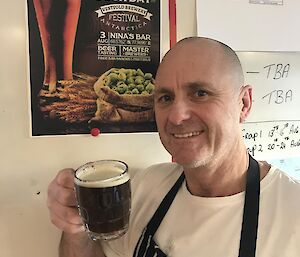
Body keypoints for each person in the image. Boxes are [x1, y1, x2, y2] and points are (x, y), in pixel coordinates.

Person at [47, 37, 300, 256]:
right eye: (166, 98)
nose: (177, 117)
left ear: (243, 104)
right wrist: (76, 231)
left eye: (200, 93)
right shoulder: (144, 187)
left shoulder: (292, 213)